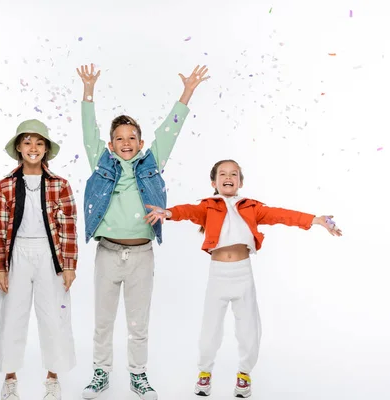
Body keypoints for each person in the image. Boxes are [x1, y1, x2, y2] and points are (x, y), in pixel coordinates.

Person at [144, 159, 342, 398]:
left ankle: (244, 375)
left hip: (242, 274)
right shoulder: (207, 206)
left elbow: (282, 215)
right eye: (223, 174)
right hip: (218, 276)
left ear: (240, 181)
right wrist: (170, 212)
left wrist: (315, 219)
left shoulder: (251, 207)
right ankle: (204, 373)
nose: (228, 177)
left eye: (234, 174)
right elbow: (188, 211)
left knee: (249, 328)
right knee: (210, 330)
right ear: (213, 182)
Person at [75, 63, 209, 400]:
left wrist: (187, 92)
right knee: (103, 321)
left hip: (140, 255)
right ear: (110, 144)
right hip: (107, 252)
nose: (125, 142)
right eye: (119, 138)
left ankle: (138, 375)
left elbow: (170, 131)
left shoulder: (151, 162)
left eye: (131, 137)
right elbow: (89, 131)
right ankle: (101, 372)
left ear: (141, 142)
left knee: (138, 324)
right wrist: (88, 92)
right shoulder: (101, 163)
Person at [0, 119, 79, 400]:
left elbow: (70, 227)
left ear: (47, 149)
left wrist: (69, 265)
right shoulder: (5, 186)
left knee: (54, 314)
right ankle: (10, 377)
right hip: (17, 254)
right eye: (27, 141)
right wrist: (0, 267)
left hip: (49, 254)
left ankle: (53, 377)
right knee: (12, 315)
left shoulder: (60, 185)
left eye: (40, 142)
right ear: (18, 147)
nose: (33, 147)